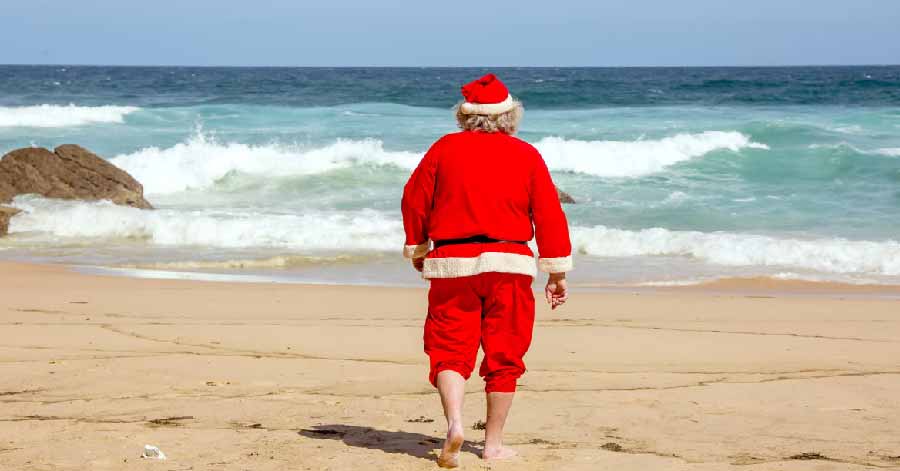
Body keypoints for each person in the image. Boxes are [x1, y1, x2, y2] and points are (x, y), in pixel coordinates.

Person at [401, 73, 572, 468]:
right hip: (508, 265)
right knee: (505, 355)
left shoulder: (444, 149)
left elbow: (414, 198)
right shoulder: (526, 154)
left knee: (448, 349)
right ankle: (492, 445)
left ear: (464, 117)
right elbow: (549, 214)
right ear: (510, 117)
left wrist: (418, 248)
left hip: (451, 264)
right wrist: (556, 272)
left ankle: (455, 424)